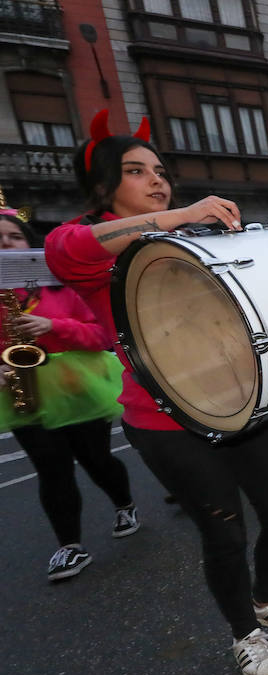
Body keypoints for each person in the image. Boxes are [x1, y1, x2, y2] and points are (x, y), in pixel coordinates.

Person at [45, 110, 268, 675]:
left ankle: (267, 599)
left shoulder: (191, 236)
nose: (157, 179)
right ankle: (244, 633)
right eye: (137, 171)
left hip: (246, 400)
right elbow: (74, 250)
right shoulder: (76, 243)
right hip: (166, 420)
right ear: (103, 185)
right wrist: (175, 218)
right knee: (224, 531)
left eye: (161, 170)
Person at [1, 207, 136, 581]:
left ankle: (124, 504)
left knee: (96, 460)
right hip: (20, 386)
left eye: (12, 237)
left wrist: (51, 324)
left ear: (27, 244)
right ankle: (69, 546)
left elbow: (101, 336)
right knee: (51, 466)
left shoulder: (62, 284)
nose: (5, 245)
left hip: (76, 383)